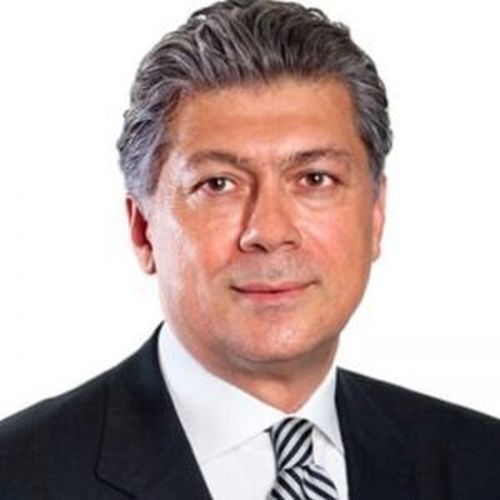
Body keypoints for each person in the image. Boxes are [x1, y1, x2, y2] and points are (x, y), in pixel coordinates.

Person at [1, 0, 499, 498]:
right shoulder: (18, 474)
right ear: (142, 229)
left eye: (315, 179)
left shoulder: (482, 463)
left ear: (376, 214)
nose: (269, 231)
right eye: (218, 184)